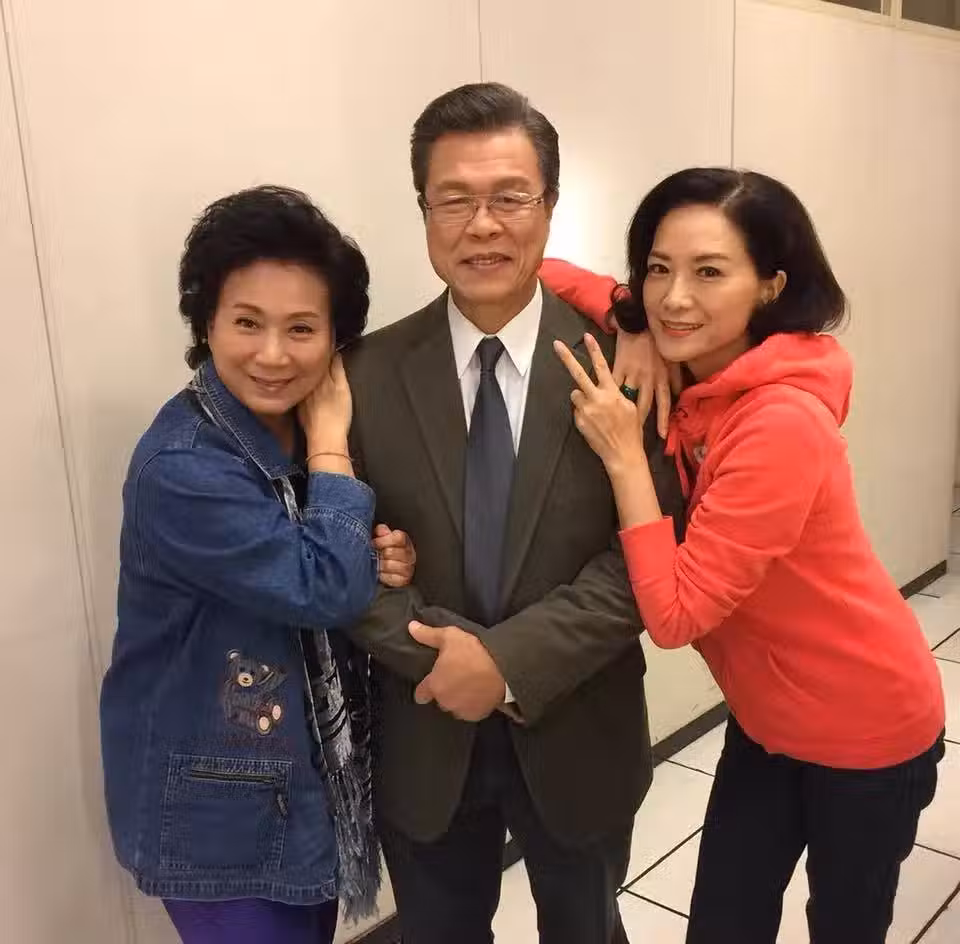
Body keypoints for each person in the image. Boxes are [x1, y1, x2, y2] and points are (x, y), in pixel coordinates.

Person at [548, 167, 946, 944]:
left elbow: (676, 615)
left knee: (845, 926)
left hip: (867, 727)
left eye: (709, 272)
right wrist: (632, 321)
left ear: (770, 285)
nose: (675, 298)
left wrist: (626, 458)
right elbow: (554, 272)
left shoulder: (779, 422)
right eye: (658, 268)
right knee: (724, 923)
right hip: (769, 718)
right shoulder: (706, 367)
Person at [342, 82, 683, 944]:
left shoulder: (628, 367)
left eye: (509, 197)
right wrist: (440, 656)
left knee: (586, 928)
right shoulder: (365, 373)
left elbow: (645, 557)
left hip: (580, 726)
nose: (482, 225)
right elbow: (338, 554)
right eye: (453, 200)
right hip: (425, 730)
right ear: (424, 211)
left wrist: (503, 664)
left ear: (551, 206)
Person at [99, 185, 416, 944]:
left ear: (336, 339)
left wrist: (380, 555)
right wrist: (334, 444)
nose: (272, 354)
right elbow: (323, 585)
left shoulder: (290, 438)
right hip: (216, 816)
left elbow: (334, 563)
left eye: (301, 328)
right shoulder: (183, 465)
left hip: (295, 791)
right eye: (247, 322)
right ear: (206, 322)